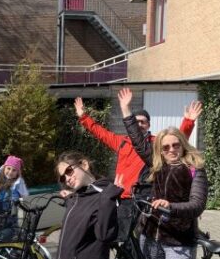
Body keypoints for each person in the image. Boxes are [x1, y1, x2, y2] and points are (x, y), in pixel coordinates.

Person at [117, 88, 207, 259]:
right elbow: (138, 142)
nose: (171, 150)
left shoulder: (194, 169)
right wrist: (125, 109)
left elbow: (197, 204)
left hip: (179, 242)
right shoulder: (157, 165)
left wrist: (170, 206)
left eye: (175, 145)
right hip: (150, 239)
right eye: (165, 147)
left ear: (183, 145)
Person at [73, 96, 201, 243]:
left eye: (143, 122)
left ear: (148, 125)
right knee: (120, 240)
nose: (139, 124)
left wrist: (189, 122)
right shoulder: (121, 142)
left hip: (142, 199)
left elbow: (176, 141)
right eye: (136, 121)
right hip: (121, 198)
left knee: (139, 240)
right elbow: (100, 132)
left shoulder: (154, 143)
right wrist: (83, 116)